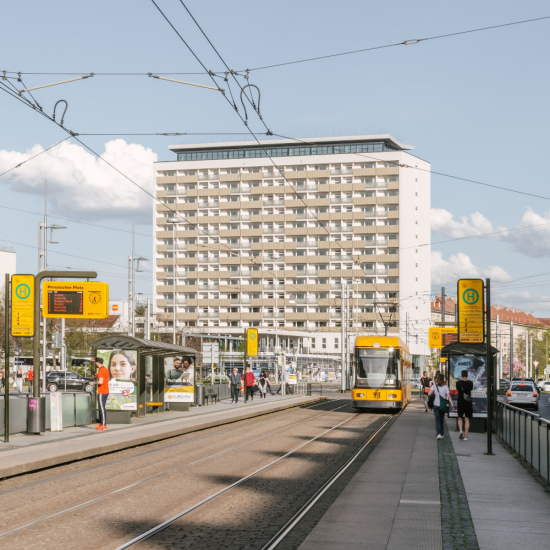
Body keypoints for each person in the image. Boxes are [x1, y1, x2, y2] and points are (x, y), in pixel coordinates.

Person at [429, 373, 455, 440]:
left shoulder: (434, 386)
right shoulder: (445, 387)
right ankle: (442, 433)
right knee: (441, 419)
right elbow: (449, 396)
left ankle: (439, 434)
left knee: (437, 420)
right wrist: (452, 405)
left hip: (436, 405)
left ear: (437, 379)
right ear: (443, 379)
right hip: (442, 406)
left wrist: (433, 392)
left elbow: (429, 394)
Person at [90, 357, 110, 430]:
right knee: (101, 408)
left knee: (101, 408)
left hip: (102, 391)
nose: (95, 364)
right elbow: (103, 378)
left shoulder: (101, 370)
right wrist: (96, 376)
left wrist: (93, 383)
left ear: (97, 363)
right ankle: (101, 423)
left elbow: (100, 382)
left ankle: (104, 425)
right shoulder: (105, 370)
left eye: (95, 362)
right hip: (106, 391)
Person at [456, 369, 473, 441]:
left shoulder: (458, 383)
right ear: (467, 375)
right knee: (467, 419)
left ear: (461, 375)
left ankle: (460, 430)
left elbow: (458, 390)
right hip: (468, 402)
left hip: (460, 401)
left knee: (460, 417)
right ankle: (465, 436)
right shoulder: (470, 383)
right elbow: (470, 389)